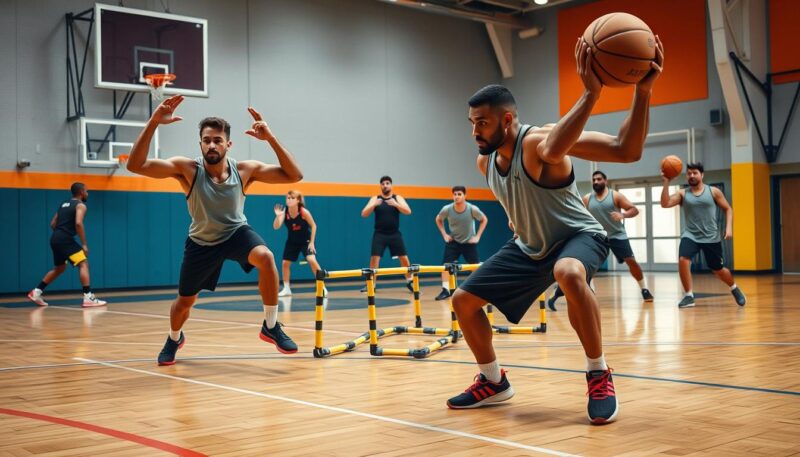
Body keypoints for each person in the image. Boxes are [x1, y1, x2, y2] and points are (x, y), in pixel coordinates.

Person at [446, 37, 664, 425]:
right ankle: (494, 381)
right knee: (462, 302)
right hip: (531, 247)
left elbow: (624, 149)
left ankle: (598, 372)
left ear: (507, 119)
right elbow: (523, 198)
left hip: (580, 237)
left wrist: (637, 92)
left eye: (482, 122)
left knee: (568, 272)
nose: (475, 131)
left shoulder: (538, 140)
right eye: (472, 123)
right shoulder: (486, 163)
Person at [127, 95, 303, 365]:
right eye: (207, 140)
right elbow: (135, 165)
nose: (212, 144)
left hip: (236, 233)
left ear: (228, 144)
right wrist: (153, 122)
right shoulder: (187, 169)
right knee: (184, 303)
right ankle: (174, 338)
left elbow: (294, 175)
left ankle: (271, 325)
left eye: (217, 140)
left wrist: (270, 139)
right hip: (201, 242)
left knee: (266, 257)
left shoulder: (244, 170)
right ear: (200, 143)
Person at [547, 170, 653, 310]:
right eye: (594, 180)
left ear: (605, 181)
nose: (596, 182)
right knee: (587, 265)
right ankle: (580, 292)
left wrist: (623, 214)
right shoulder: (587, 199)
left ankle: (644, 288)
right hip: (597, 237)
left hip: (617, 235)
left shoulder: (615, 196)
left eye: (599, 179)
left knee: (631, 261)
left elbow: (634, 210)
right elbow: (578, 216)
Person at [660, 162, 746, 308]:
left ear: (702, 175)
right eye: (689, 173)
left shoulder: (713, 192)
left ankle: (734, 288)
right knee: (683, 259)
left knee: (718, 270)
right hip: (690, 235)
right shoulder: (682, 193)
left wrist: (729, 228)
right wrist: (667, 182)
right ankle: (688, 296)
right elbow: (665, 204)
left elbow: (728, 209)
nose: (691, 176)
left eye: (695, 173)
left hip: (711, 237)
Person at [27, 183, 107, 308]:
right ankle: (88, 297)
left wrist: (60, 234)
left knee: (60, 268)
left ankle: (36, 292)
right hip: (65, 239)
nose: (88, 193)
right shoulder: (81, 205)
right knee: (83, 263)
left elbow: (53, 224)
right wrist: (84, 244)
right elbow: (78, 223)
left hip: (55, 238)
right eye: (87, 191)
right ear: (81, 192)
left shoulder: (63, 205)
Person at [360, 176, 414, 292]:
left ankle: (410, 281)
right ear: (380, 186)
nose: (385, 185)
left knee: (404, 259)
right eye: (383, 183)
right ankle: (371, 284)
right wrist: (374, 205)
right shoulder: (375, 198)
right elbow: (364, 214)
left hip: (394, 234)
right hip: (379, 234)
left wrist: (395, 204)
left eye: (387, 183)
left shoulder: (397, 198)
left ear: (391, 185)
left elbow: (408, 211)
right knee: (374, 259)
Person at [434, 186, 488, 301]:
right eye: (455, 194)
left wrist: (477, 237)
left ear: (465, 196)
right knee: (445, 266)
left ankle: (478, 289)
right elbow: (438, 219)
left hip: (469, 242)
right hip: (453, 242)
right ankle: (446, 290)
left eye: (459, 194)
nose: (456, 197)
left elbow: (484, 219)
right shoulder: (447, 209)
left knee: (475, 267)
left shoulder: (472, 209)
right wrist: (444, 234)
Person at [273, 190, 327, 297]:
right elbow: (276, 227)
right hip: (292, 242)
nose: (289, 200)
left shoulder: (304, 212)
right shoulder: (284, 213)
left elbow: (314, 226)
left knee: (311, 260)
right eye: (287, 198)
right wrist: (278, 216)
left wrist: (312, 242)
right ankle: (287, 288)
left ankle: (322, 287)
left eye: (292, 198)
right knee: (285, 263)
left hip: (305, 241)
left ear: (298, 200)